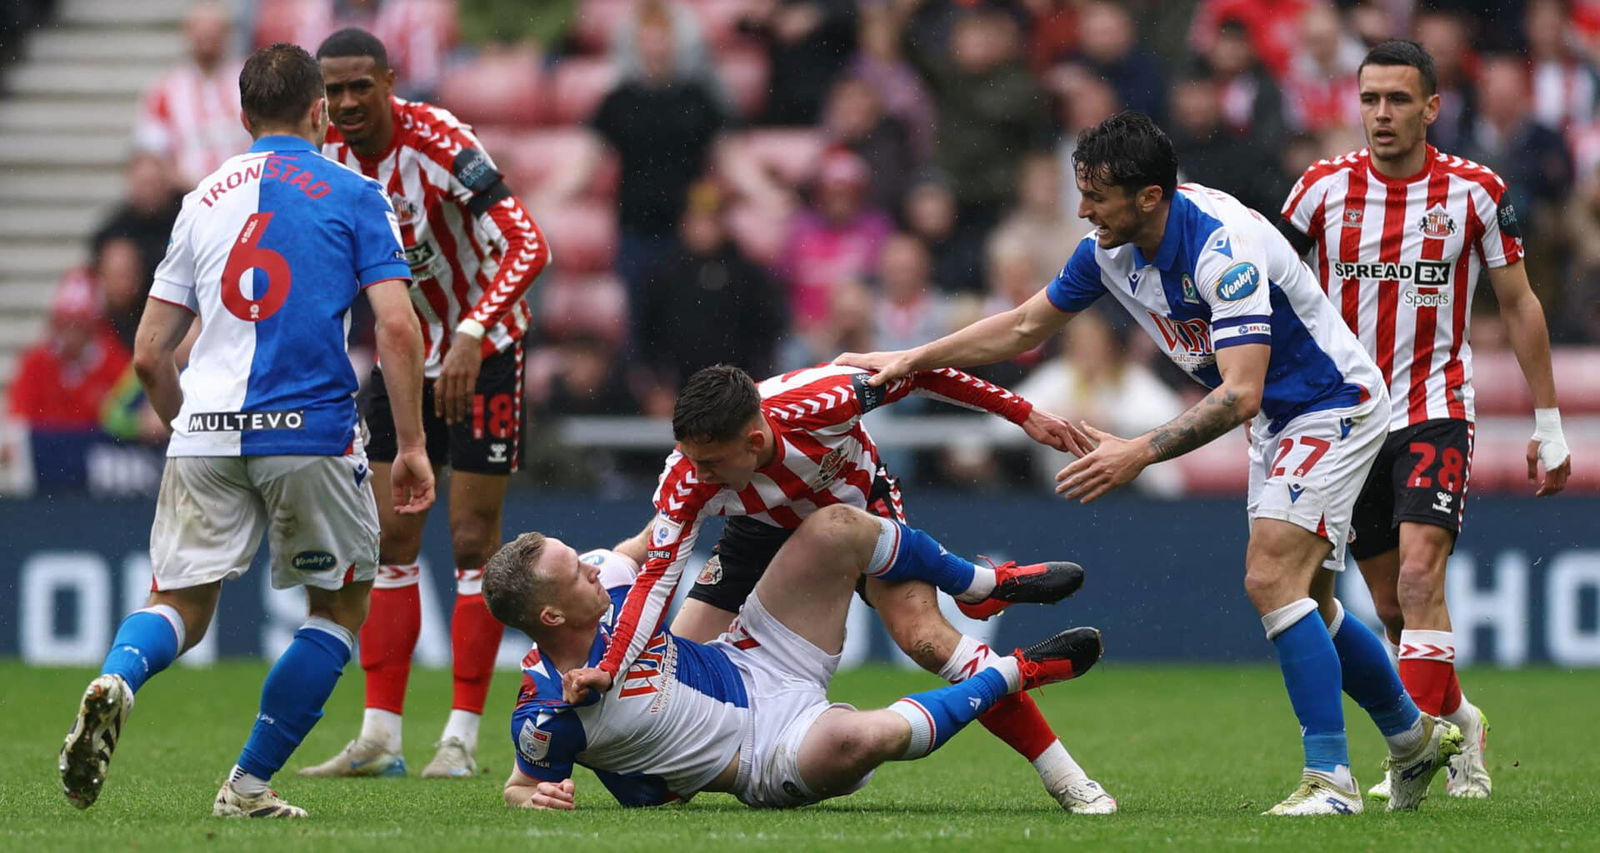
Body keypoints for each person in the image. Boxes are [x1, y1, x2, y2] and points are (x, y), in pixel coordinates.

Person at [838, 112, 1462, 816]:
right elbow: (1023, 325)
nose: (1083, 211)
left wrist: (1138, 450)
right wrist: (912, 359)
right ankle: (1413, 740)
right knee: (1310, 603)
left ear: (1149, 196)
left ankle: (1330, 780)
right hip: (1278, 419)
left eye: (1096, 196)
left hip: (1331, 404)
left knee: (1270, 578)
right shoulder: (1110, 249)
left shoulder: (1222, 249)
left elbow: (1241, 391)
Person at [57, 43, 434, 819]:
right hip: (311, 429)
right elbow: (398, 329)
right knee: (339, 607)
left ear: (242, 115)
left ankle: (119, 677)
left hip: (206, 427)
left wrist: (189, 426)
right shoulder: (357, 192)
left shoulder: (201, 198)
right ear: (320, 111)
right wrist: (412, 445)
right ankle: (248, 783)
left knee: (178, 603)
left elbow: (149, 353)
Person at [561, 362, 1119, 814]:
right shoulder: (689, 476)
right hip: (758, 532)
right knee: (671, 680)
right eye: (690, 459)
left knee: (927, 641)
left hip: (861, 509)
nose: (697, 474)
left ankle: (1065, 776)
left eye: (710, 463)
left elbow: (923, 374)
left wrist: (1023, 413)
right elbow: (657, 579)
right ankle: (981, 586)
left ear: (754, 440)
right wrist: (610, 667)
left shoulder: (822, 399)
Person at [1279, 40, 1572, 803]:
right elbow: (1270, 287)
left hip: (1434, 408)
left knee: (1419, 576)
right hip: (1349, 420)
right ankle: (1460, 721)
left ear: (1432, 107)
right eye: (1370, 98)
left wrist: (1548, 421)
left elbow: (1520, 303)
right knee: (1388, 605)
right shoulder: (1319, 190)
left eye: (1399, 99)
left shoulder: (1476, 191)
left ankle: (1405, 761)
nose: (1382, 113)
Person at [486, 505, 1104, 810]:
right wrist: (534, 799)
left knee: (836, 526)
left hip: (752, 656)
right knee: (864, 738)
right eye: (576, 573)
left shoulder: (609, 583)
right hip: (766, 754)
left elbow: (647, 540)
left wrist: (698, 489)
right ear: (551, 617)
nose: (593, 569)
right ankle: (1017, 671)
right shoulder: (546, 714)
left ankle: (981, 583)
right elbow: (520, 785)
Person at [301, 27, 551, 781]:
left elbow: (529, 243)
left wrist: (473, 330)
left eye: (360, 85)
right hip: (404, 353)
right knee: (390, 538)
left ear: (389, 81)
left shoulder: (440, 142)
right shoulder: (321, 156)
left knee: (473, 542)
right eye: (333, 90)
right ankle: (379, 738)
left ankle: (460, 740)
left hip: (485, 348)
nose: (347, 102)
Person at [133, 0, 250, 190]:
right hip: (186, 193)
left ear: (228, 33)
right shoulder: (165, 89)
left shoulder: (250, 80)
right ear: (187, 33)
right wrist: (191, 186)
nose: (207, 39)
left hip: (246, 190)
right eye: (201, 32)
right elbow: (152, 150)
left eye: (213, 32)